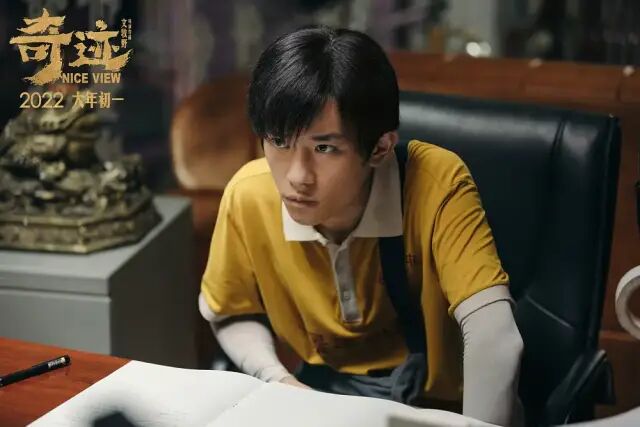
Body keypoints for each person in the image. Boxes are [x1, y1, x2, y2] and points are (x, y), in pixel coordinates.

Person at [198, 26, 523, 426]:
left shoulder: (436, 182)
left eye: (324, 148)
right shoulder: (249, 195)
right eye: (279, 142)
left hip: (439, 405)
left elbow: (495, 336)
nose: (297, 177)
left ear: (380, 148)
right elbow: (228, 312)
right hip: (325, 397)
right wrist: (277, 379)